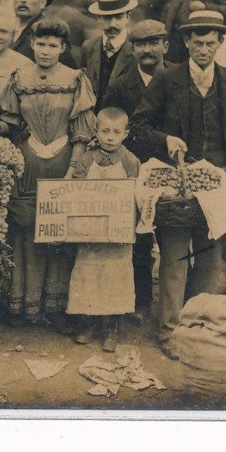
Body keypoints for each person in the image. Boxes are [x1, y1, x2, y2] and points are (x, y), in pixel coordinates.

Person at [131, 10, 226, 354]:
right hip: (176, 185)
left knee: (211, 259)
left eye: (211, 43)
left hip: (216, 184)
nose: (204, 49)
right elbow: (137, 127)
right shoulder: (168, 79)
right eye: (197, 42)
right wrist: (165, 139)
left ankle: (199, 327)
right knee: (175, 257)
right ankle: (168, 331)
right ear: (185, 42)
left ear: (220, 43)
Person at [0, 17, 97, 328]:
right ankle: (24, 306)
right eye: (40, 44)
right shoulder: (19, 78)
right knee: (25, 231)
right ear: (31, 44)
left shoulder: (74, 79)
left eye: (52, 45)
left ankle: (55, 307)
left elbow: (81, 132)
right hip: (27, 162)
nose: (45, 50)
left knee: (58, 234)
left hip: (62, 163)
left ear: (63, 48)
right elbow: (12, 123)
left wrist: (72, 170)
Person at [104, 19, 171, 320]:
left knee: (171, 236)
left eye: (153, 42)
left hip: (167, 168)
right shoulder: (121, 84)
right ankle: (140, 301)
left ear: (165, 46)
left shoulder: (176, 77)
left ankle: (173, 304)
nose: (147, 50)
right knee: (139, 238)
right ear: (132, 49)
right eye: (141, 44)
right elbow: (108, 121)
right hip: (132, 166)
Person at [66, 108, 141, 352]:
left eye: (116, 132)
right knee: (88, 276)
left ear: (125, 134)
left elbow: (137, 197)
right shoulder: (87, 159)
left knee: (114, 279)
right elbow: (76, 187)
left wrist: (127, 222)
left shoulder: (130, 161)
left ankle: (111, 328)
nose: (110, 137)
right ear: (96, 132)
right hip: (90, 230)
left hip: (117, 233)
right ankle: (89, 323)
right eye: (105, 131)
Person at [79, 0, 138, 111]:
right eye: (106, 17)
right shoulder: (88, 47)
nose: (112, 24)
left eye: (118, 17)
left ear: (128, 17)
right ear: (98, 18)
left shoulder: (136, 50)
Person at [11, 0, 76, 69]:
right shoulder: (5, 28)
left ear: (42, 3)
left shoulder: (51, 31)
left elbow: (68, 75)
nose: (23, 0)